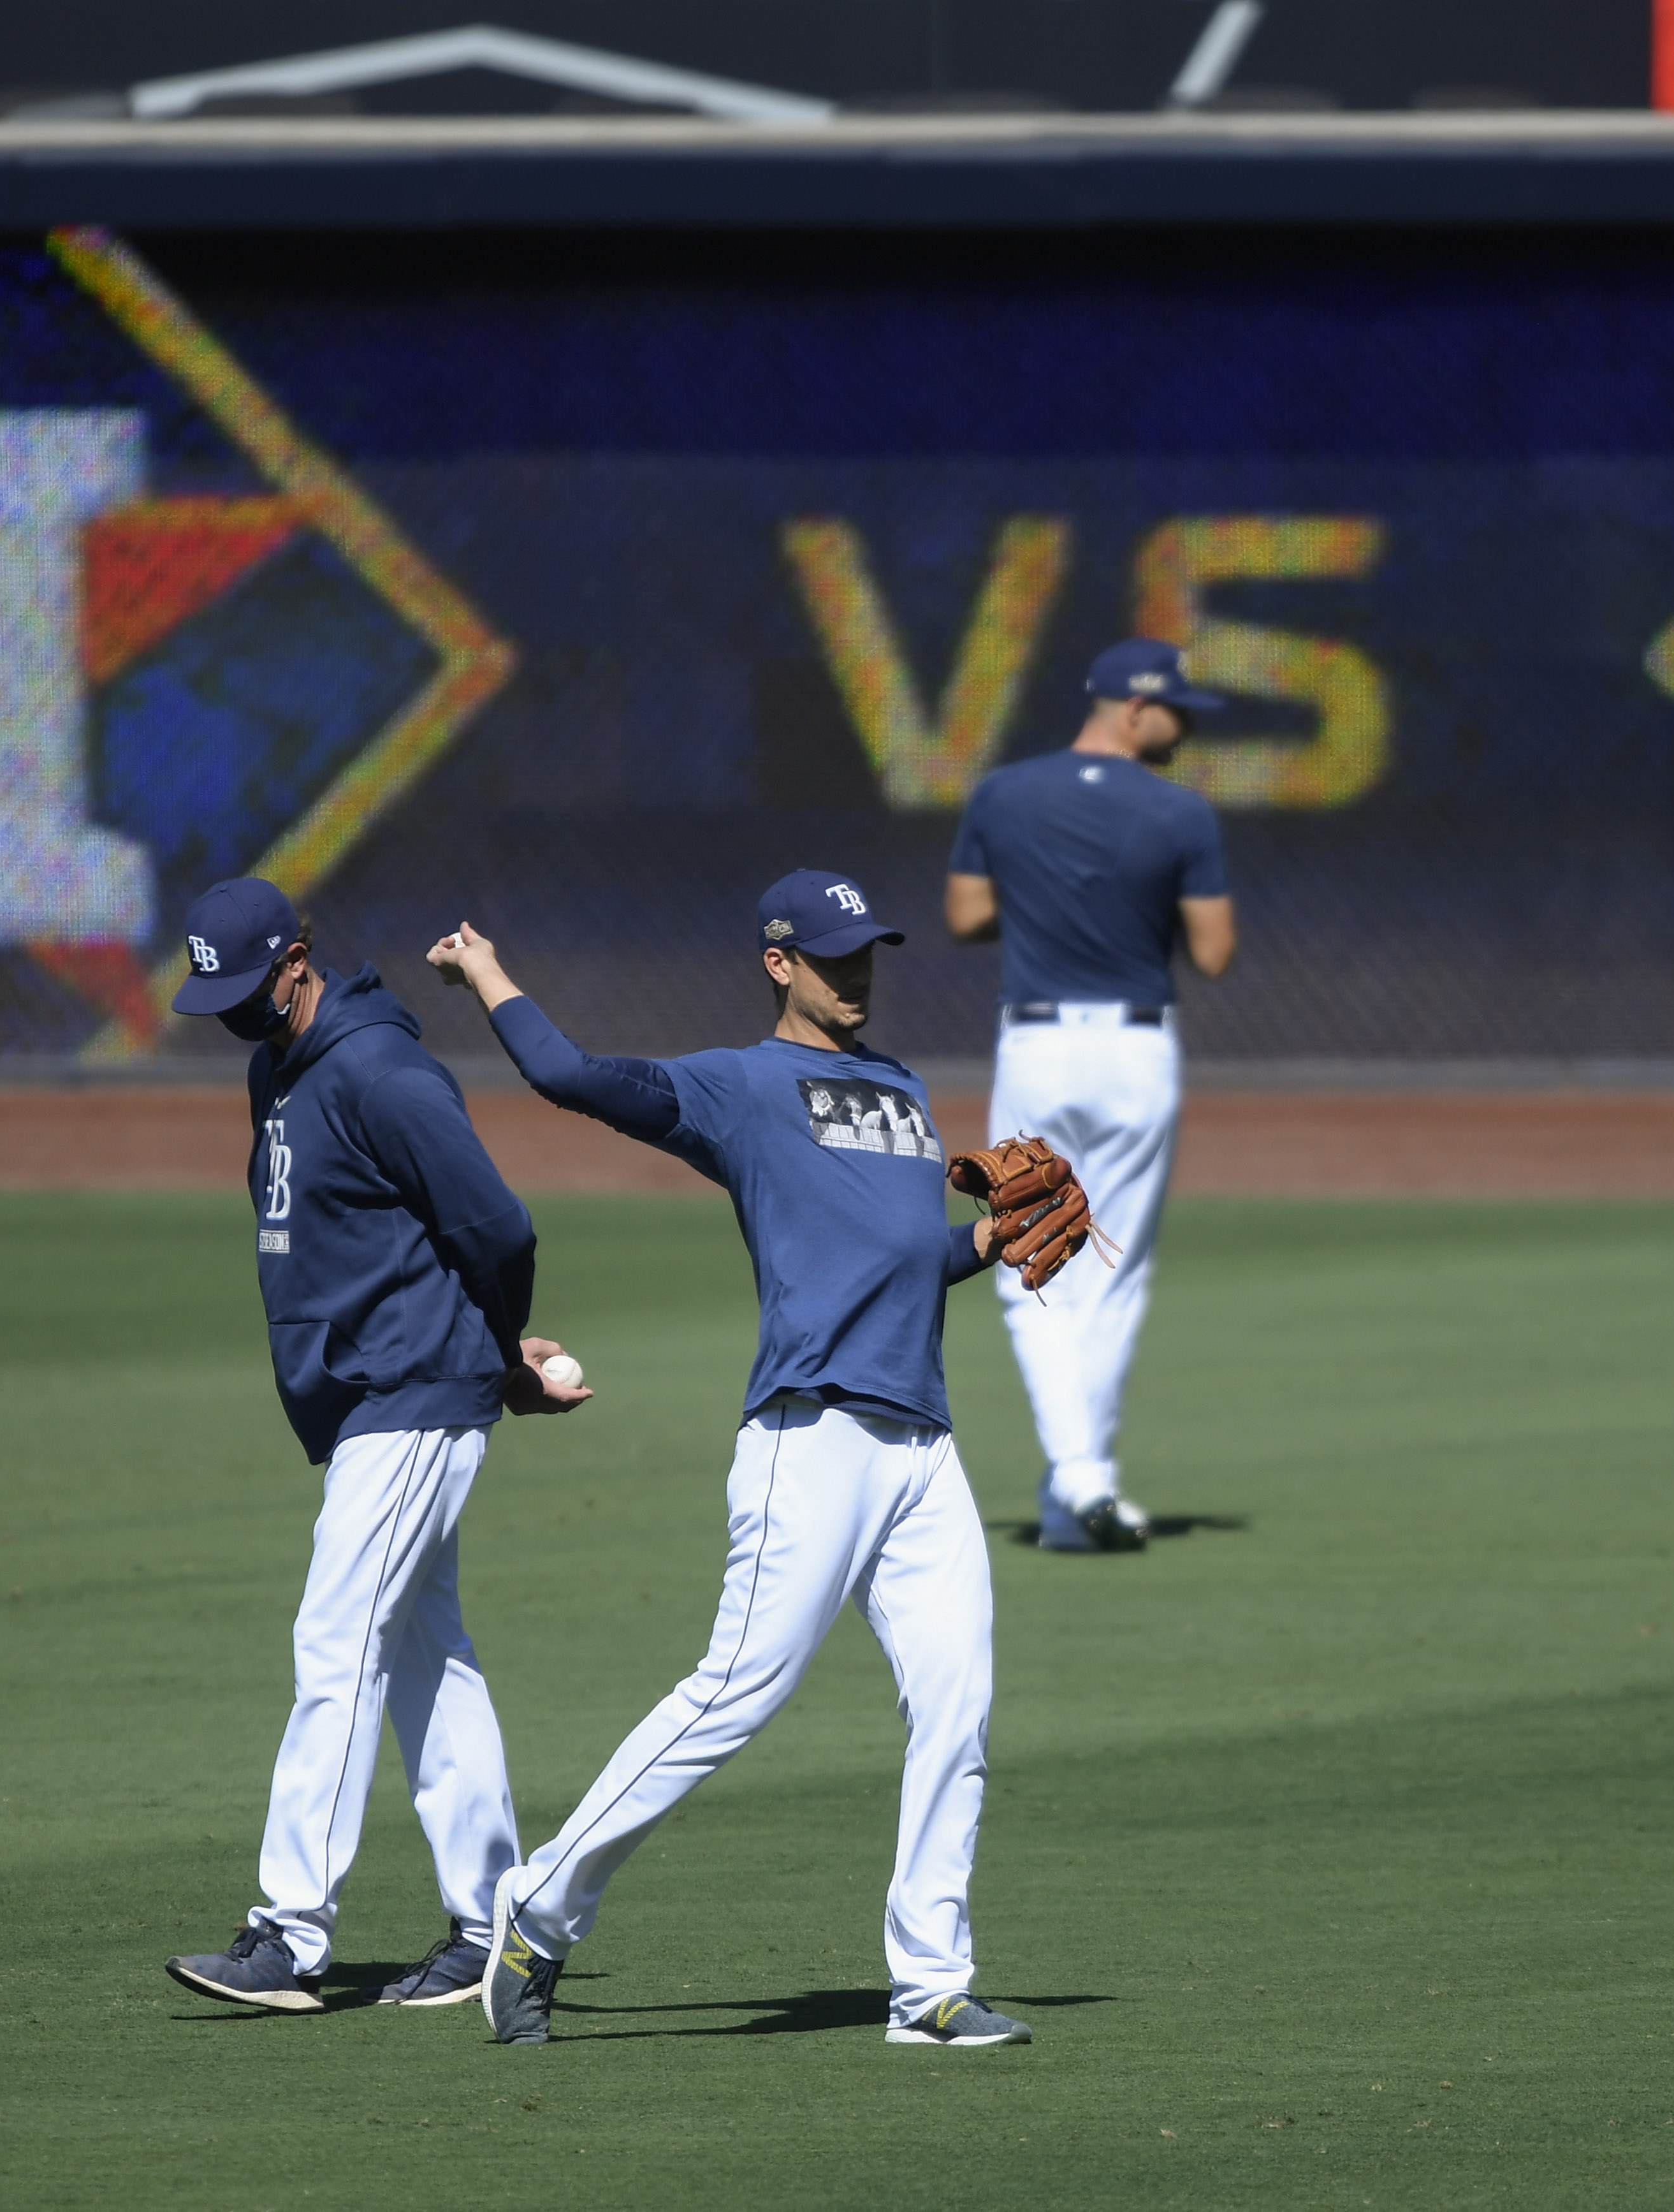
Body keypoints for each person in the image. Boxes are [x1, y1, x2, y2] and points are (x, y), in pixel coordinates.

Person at [425, 869, 1037, 2049]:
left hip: (924, 1446)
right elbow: (571, 1078)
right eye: (833, 951)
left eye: (868, 950)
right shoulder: (739, 1086)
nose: (856, 968)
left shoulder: (906, 1088)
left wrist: (986, 1241)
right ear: (778, 962)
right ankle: (536, 1908)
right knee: (735, 1692)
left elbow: (906, 1259)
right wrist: (488, 972)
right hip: (810, 1438)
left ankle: (931, 1985)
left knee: (958, 1705)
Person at [159, 875, 592, 2015]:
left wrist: (501, 1355)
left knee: (338, 1638)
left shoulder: (380, 1070)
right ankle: (494, 1918)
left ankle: (288, 1936)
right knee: (420, 1657)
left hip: (416, 1393)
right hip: (375, 1397)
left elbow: (497, 1224)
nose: (238, 1013)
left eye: (250, 988)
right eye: (219, 996)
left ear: (298, 959)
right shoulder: (281, 1068)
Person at [944, 638, 1237, 1553]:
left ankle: (1075, 1491)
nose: (1185, 725)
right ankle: (1081, 1478)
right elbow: (1217, 953)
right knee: (1109, 1273)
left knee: (1034, 1252)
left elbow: (962, 917)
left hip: (1035, 1044)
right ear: (1133, 707)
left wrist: (1043, 903)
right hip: (1135, 1049)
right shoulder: (1183, 812)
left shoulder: (1003, 792)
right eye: (1177, 710)